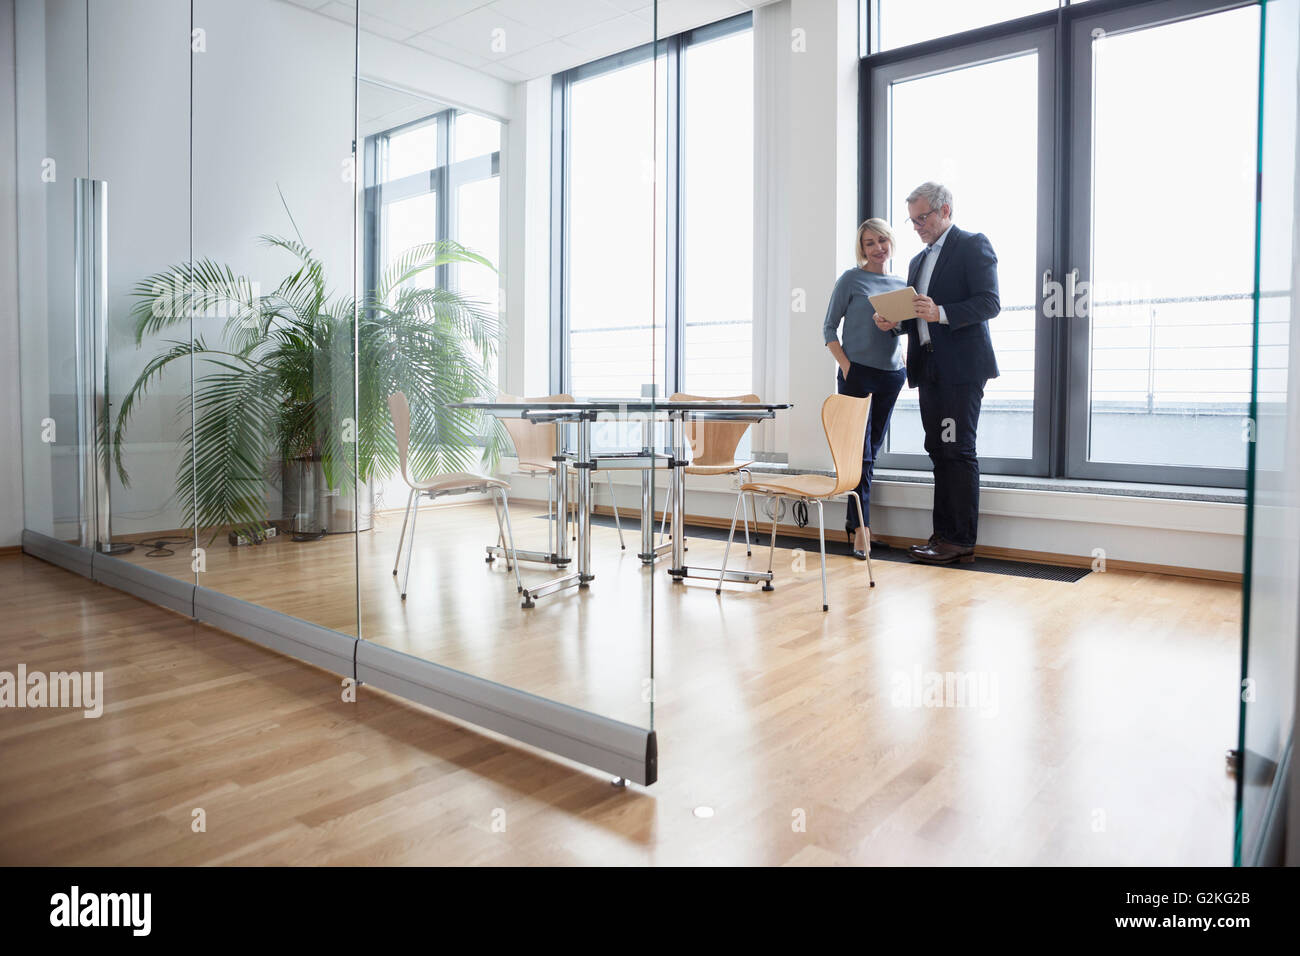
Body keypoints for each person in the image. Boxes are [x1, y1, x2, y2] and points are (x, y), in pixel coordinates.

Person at [872, 182, 999, 565]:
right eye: (912, 221)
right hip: (928, 369)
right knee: (938, 451)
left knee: (957, 451)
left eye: (923, 218)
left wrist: (941, 312)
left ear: (946, 210)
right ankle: (942, 536)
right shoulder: (917, 261)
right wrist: (892, 323)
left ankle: (959, 539)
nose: (918, 226)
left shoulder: (972, 244)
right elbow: (917, 318)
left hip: (961, 369)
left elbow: (989, 302)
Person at [823, 218, 908, 560]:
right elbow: (829, 329)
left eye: (882, 241)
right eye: (870, 243)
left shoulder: (902, 284)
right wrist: (847, 367)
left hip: (892, 376)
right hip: (858, 375)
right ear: (862, 249)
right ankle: (862, 530)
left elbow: (902, 331)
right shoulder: (851, 279)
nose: (877, 248)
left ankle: (855, 522)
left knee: (870, 449)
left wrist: (895, 328)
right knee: (861, 454)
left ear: (890, 243)